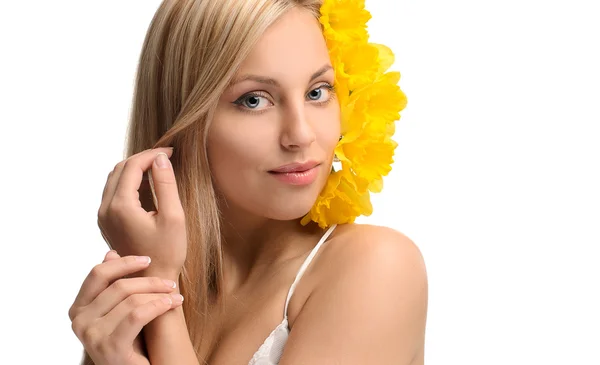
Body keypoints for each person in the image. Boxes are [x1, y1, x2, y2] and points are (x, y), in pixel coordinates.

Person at [68, 0, 428, 364]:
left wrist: (159, 290)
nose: (301, 135)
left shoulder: (377, 267)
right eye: (255, 100)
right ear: (185, 119)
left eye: (317, 91)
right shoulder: (145, 289)